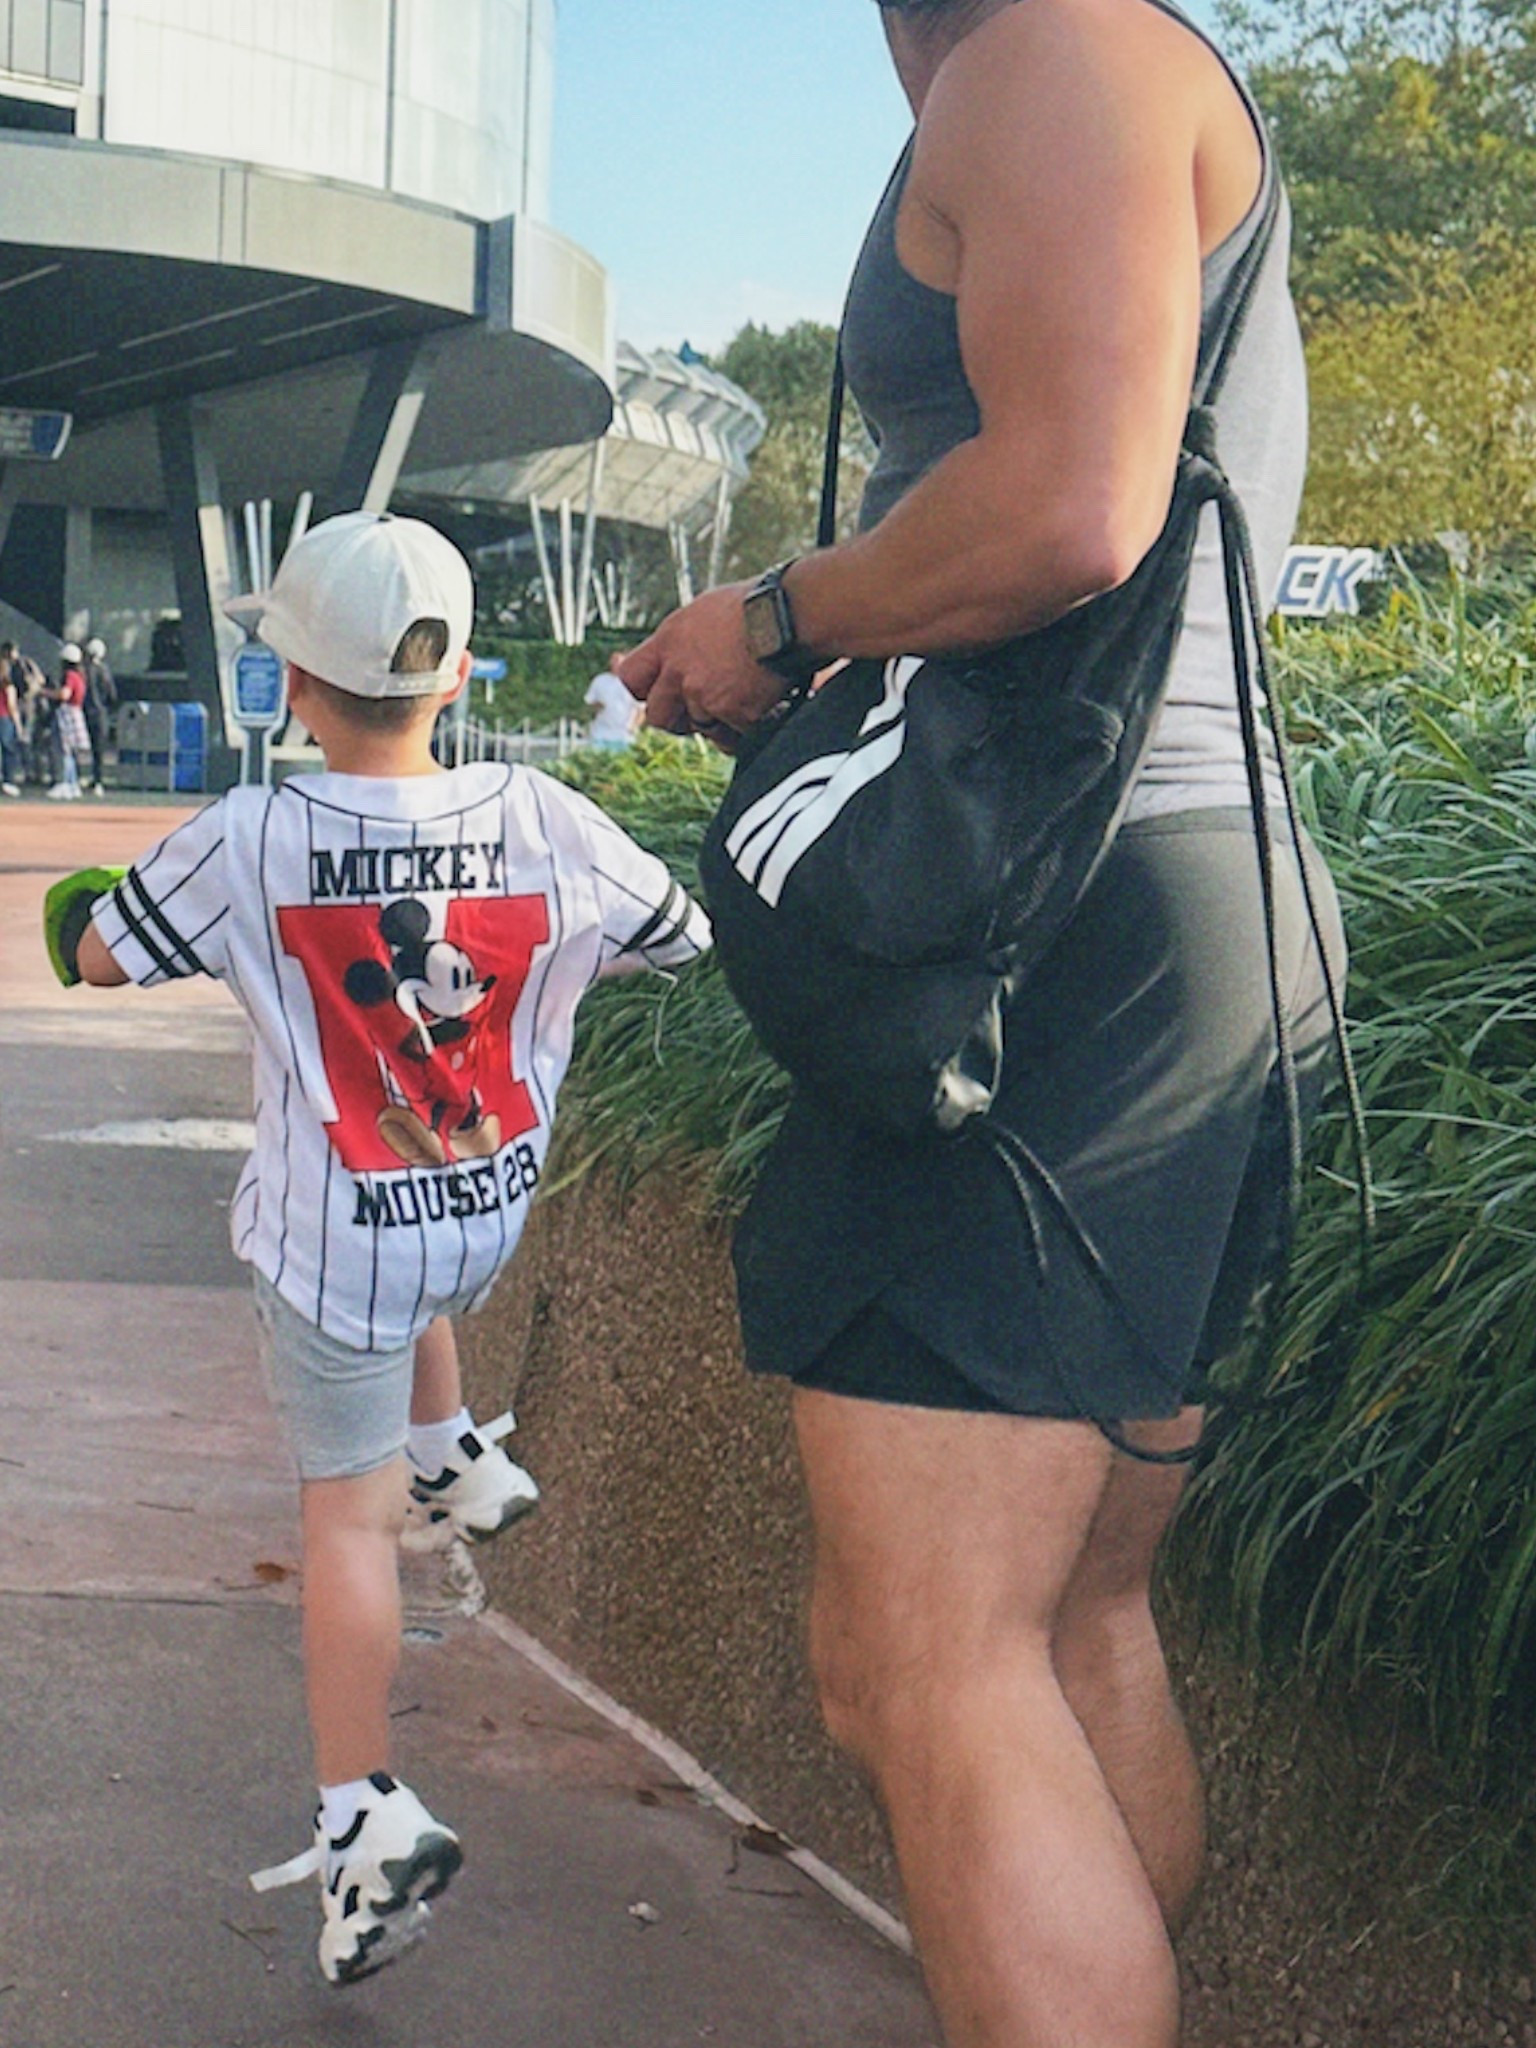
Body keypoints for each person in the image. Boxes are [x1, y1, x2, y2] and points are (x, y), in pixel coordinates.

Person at [617, 4, 1344, 2045]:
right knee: (1060, 1620)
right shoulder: (1081, 67)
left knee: (924, 1656)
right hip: (1173, 913)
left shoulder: (1060, 55)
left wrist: (774, 619)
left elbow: (1070, 506)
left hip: (1063, 939)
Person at [64, 510, 709, 1986]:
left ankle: (366, 1817)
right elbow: (675, 933)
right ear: (465, 672)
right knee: (418, 1276)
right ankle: (459, 1453)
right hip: (485, 1219)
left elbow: (107, 954)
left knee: (343, 1526)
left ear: (290, 683)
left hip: (342, 1254)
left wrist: (81, 921)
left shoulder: (256, 836)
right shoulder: (546, 818)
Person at [47, 643, 89, 800]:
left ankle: (63, 783)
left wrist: (45, 692)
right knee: (71, 751)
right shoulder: (80, 676)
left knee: (63, 749)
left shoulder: (70, 676)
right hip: (76, 713)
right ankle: (73, 783)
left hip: (66, 714)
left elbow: (64, 695)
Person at [82, 635, 117, 795]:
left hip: (86, 711)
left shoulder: (84, 670)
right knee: (99, 749)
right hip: (101, 713)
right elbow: (112, 694)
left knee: (78, 746)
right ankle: (98, 780)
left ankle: (81, 778)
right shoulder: (105, 670)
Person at [583, 657, 639, 748]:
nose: (616, 665)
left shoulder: (634, 682)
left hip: (624, 735)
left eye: (619, 662)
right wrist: (597, 706)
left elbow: (640, 709)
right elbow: (589, 703)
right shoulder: (600, 680)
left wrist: (633, 726)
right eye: (614, 662)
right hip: (601, 733)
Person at [0, 643, 22, 796]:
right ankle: (8, 781)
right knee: (8, 749)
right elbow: (11, 704)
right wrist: (18, 723)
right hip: (4, 716)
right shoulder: (8, 682)